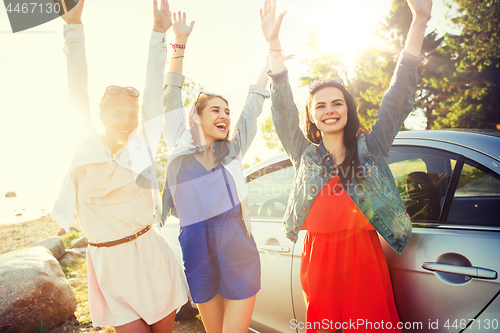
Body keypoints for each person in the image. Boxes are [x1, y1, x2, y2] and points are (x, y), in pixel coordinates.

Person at [260, 0, 432, 332]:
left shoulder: (372, 147)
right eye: (320, 105)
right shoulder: (305, 155)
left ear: (347, 109)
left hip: (364, 260)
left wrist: (419, 22)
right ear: (310, 115)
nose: (329, 110)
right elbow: (282, 113)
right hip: (319, 262)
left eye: (337, 103)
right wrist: (274, 47)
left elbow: (397, 96)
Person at [50, 1, 187, 332]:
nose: (126, 121)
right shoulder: (85, 147)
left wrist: (158, 34)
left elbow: (154, 94)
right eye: (117, 114)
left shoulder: (140, 150)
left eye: (132, 114)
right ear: (101, 116)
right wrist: (73, 28)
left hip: (150, 258)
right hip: (109, 265)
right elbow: (76, 89)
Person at [159, 12, 273, 333]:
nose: (224, 115)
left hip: (234, 238)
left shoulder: (233, 150)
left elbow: (252, 106)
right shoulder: (179, 143)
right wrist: (179, 44)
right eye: (215, 110)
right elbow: (170, 94)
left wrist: (271, 59)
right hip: (195, 240)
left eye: (227, 111)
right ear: (197, 118)